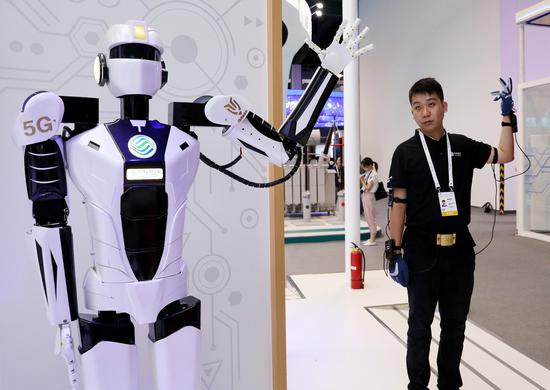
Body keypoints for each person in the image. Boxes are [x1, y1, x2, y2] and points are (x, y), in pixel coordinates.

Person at [387, 77, 515, 390]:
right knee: (419, 326)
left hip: (459, 253)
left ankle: (449, 385)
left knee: (455, 326)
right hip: (420, 252)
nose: (425, 112)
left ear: (444, 107)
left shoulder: (461, 145)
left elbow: (505, 154)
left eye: (431, 104)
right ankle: (417, 385)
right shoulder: (405, 152)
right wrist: (395, 249)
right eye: (417, 107)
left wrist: (507, 117)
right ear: (412, 113)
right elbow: (398, 204)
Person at [360, 157, 379, 246]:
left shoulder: (373, 174)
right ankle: (371, 238)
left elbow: (368, 188)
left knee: (371, 217)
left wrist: (362, 180)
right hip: (365, 195)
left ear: (370, 165)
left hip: (369, 195)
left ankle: (373, 239)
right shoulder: (368, 173)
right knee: (368, 217)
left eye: (365, 167)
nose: (364, 169)